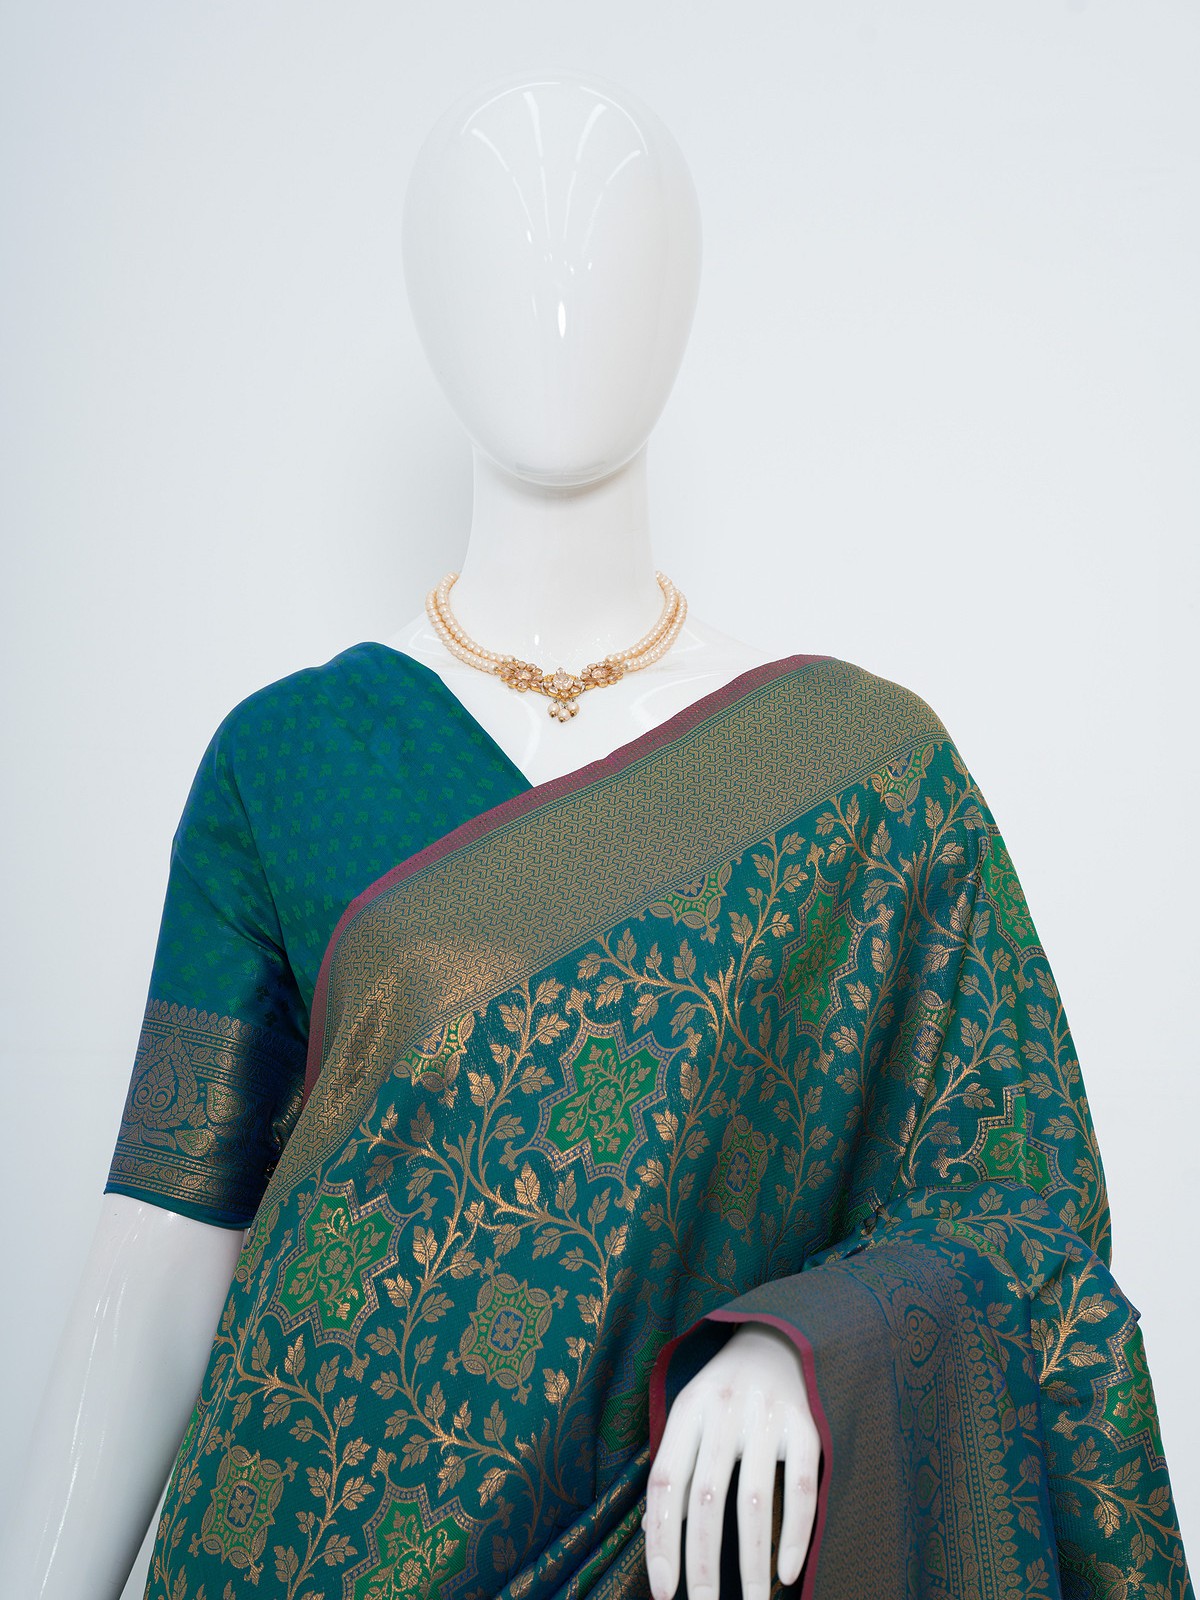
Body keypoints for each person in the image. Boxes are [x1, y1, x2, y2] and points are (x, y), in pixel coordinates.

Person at [2, 68, 1192, 1600]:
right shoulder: (288, 758)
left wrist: (810, 1348)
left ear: (687, 295)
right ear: (423, 299)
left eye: (615, 250)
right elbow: (158, 1251)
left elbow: (1023, 1207)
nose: (557, 299)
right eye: (494, 254)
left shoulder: (859, 774)